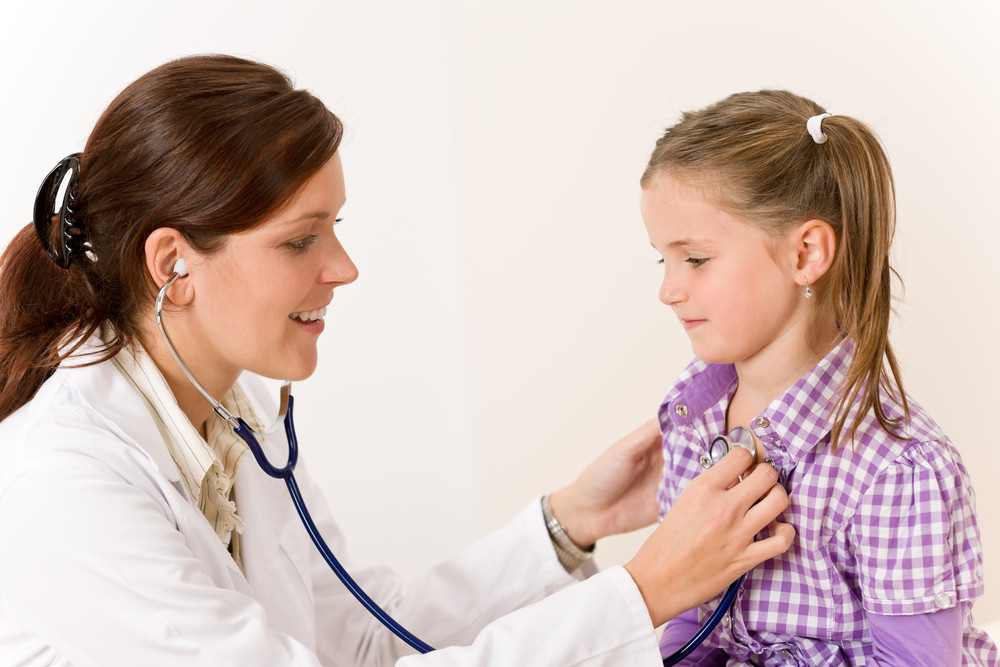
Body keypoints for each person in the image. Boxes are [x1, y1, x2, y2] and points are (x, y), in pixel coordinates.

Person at [0, 55, 794, 666]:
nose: (342, 267)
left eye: (335, 226)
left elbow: (372, 643)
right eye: (300, 238)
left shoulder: (234, 422)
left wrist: (567, 524)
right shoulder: (69, 484)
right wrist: (646, 591)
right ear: (173, 262)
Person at [641, 90, 999, 666]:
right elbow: (689, 619)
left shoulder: (897, 475)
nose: (668, 290)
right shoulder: (691, 419)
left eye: (696, 259)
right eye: (663, 260)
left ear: (806, 253)